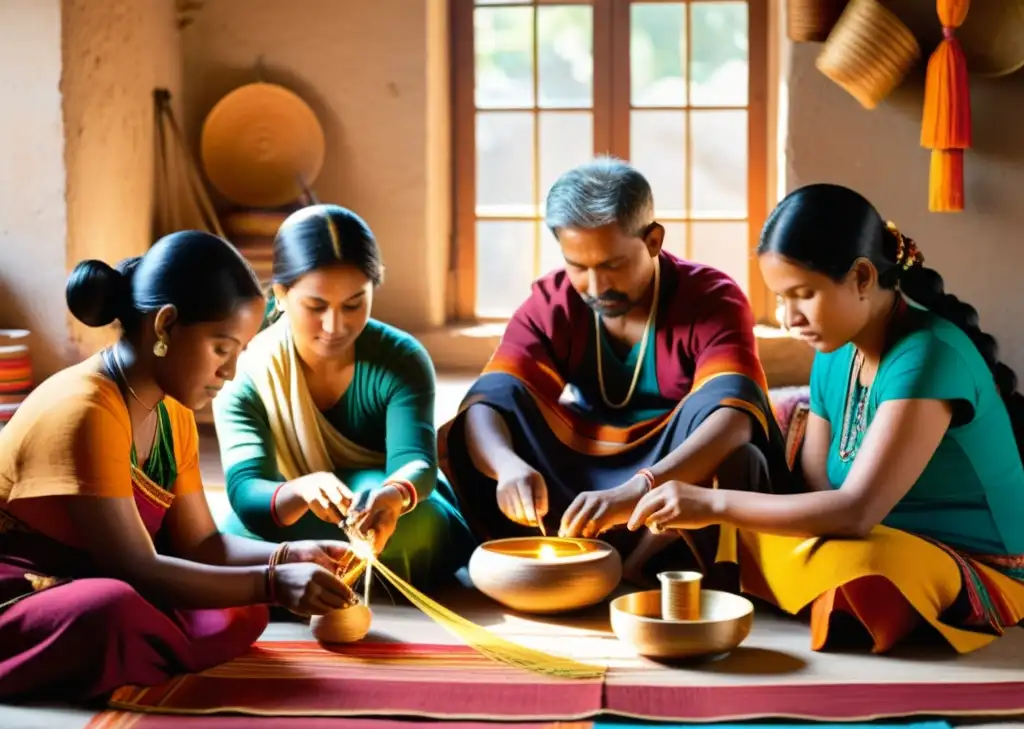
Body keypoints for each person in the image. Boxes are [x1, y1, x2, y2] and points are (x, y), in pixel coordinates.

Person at [627, 183, 1024, 653]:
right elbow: (816, 490)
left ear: (860, 276)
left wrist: (712, 506)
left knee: (864, 570)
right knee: (753, 514)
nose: (789, 317)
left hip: (968, 558)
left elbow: (853, 512)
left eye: (803, 294)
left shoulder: (928, 356)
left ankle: (792, 591)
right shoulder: (836, 351)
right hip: (868, 534)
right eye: (779, 298)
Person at [0, 231, 357, 703]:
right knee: (113, 610)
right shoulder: (86, 407)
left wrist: (289, 554)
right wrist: (272, 581)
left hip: (98, 574)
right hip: (23, 587)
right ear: (165, 326)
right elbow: (134, 567)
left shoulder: (173, 415)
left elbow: (201, 544)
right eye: (221, 348)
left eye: (239, 355)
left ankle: (142, 649)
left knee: (244, 605)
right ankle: (139, 646)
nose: (229, 372)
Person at [440, 157, 791, 580]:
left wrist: (642, 485)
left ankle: (645, 563)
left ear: (654, 241)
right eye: (578, 266)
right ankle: (592, 557)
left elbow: (735, 420)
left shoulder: (711, 298)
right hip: (583, 467)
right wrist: (507, 467)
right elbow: (491, 399)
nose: (596, 286)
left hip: (672, 470)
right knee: (496, 406)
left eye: (612, 265)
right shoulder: (553, 302)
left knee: (730, 428)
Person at [213, 204, 474, 588]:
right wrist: (299, 489)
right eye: (316, 307)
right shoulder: (249, 369)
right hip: (291, 503)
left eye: (354, 304)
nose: (335, 326)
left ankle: (307, 569)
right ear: (282, 294)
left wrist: (390, 496)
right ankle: (339, 569)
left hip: (382, 511)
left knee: (424, 523)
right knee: (235, 533)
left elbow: (417, 464)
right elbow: (248, 490)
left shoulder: (401, 358)